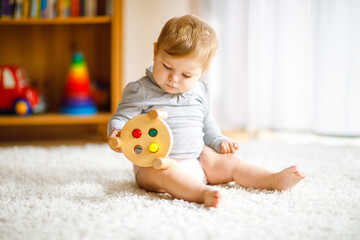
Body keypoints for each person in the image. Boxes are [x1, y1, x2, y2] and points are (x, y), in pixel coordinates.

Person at [108, 14, 305, 208]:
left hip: (197, 159)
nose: (173, 79)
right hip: (154, 163)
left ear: (203, 70)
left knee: (229, 162)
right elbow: (122, 117)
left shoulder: (201, 91)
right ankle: (201, 193)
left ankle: (272, 179)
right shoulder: (141, 90)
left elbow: (207, 124)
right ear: (155, 51)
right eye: (167, 66)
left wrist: (218, 141)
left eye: (186, 74)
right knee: (164, 171)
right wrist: (118, 131)